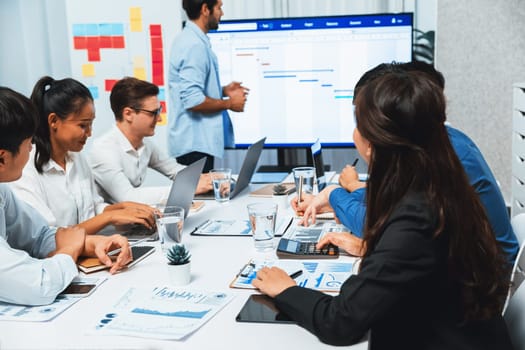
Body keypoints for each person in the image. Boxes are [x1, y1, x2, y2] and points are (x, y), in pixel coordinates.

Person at [253, 71, 513, 348]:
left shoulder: (418, 216)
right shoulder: (440, 182)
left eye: (359, 123)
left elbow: (341, 322)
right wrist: (375, 249)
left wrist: (286, 290)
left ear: (376, 143)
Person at [293, 61, 519, 265]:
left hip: (483, 277)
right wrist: (337, 199)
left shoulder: (433, 154)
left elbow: (379, 224)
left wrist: (335, 195)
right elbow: (393, 205)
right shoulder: (436, 140)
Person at [0, 86, 132, 306]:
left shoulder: (2, 189)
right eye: (28, 143)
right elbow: (40, 286)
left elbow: (39, 235)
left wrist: (93, 243)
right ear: (2, 158)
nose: (31, 149)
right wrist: (71, 248)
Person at [8, 76, 156, 234]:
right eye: (83, 125)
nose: (90, 133)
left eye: (91, 124)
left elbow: (94, 208)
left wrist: (125, 208)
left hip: (89, 248)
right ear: (54, 121)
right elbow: (47, 237)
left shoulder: (75, 157)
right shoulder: (25, 168)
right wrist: (109, 217)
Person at [89, 77, 212, 205]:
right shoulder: (103, 150)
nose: (158, 119)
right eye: (153, 113)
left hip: (133, 217)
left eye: (159, 111)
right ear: (128, 114)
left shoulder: (144, 144)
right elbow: (128, 197)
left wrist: (209, 179)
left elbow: (174, 170)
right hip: (111, 223)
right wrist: (186, 189)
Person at [168, 0, 248, 172]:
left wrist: (222, 90)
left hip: (195, 144)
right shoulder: (193, 45)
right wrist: (229, 103)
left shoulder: (191, 40)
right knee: (198, 198)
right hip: (194, 146)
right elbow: (192, 100)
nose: (222, 13)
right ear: (205, 9)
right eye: (219, 8)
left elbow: (190, 90)